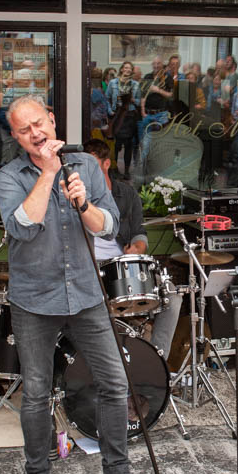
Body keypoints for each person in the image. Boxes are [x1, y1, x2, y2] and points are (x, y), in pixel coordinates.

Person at [0, 97, 159, 474]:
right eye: (24, 130)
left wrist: (85, 205)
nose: (35, 133)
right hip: (34, 299)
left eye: (39, 123)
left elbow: (110, 226)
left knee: (115, 384)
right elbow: (22, 228)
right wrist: (49, 173)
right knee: (36, 395)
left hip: (86, 293)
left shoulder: (85, 164)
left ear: (52, 120)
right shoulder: (10, 176)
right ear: (16, 137)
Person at [83, 138, 179, 359]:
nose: (88, 173)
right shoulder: (76, 196)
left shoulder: (126, 194)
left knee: (172, 296)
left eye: (92, 165)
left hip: (122, 267)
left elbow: (138, 232)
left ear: (107, 163)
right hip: (89, 268)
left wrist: (138, 247)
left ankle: (156, 361)